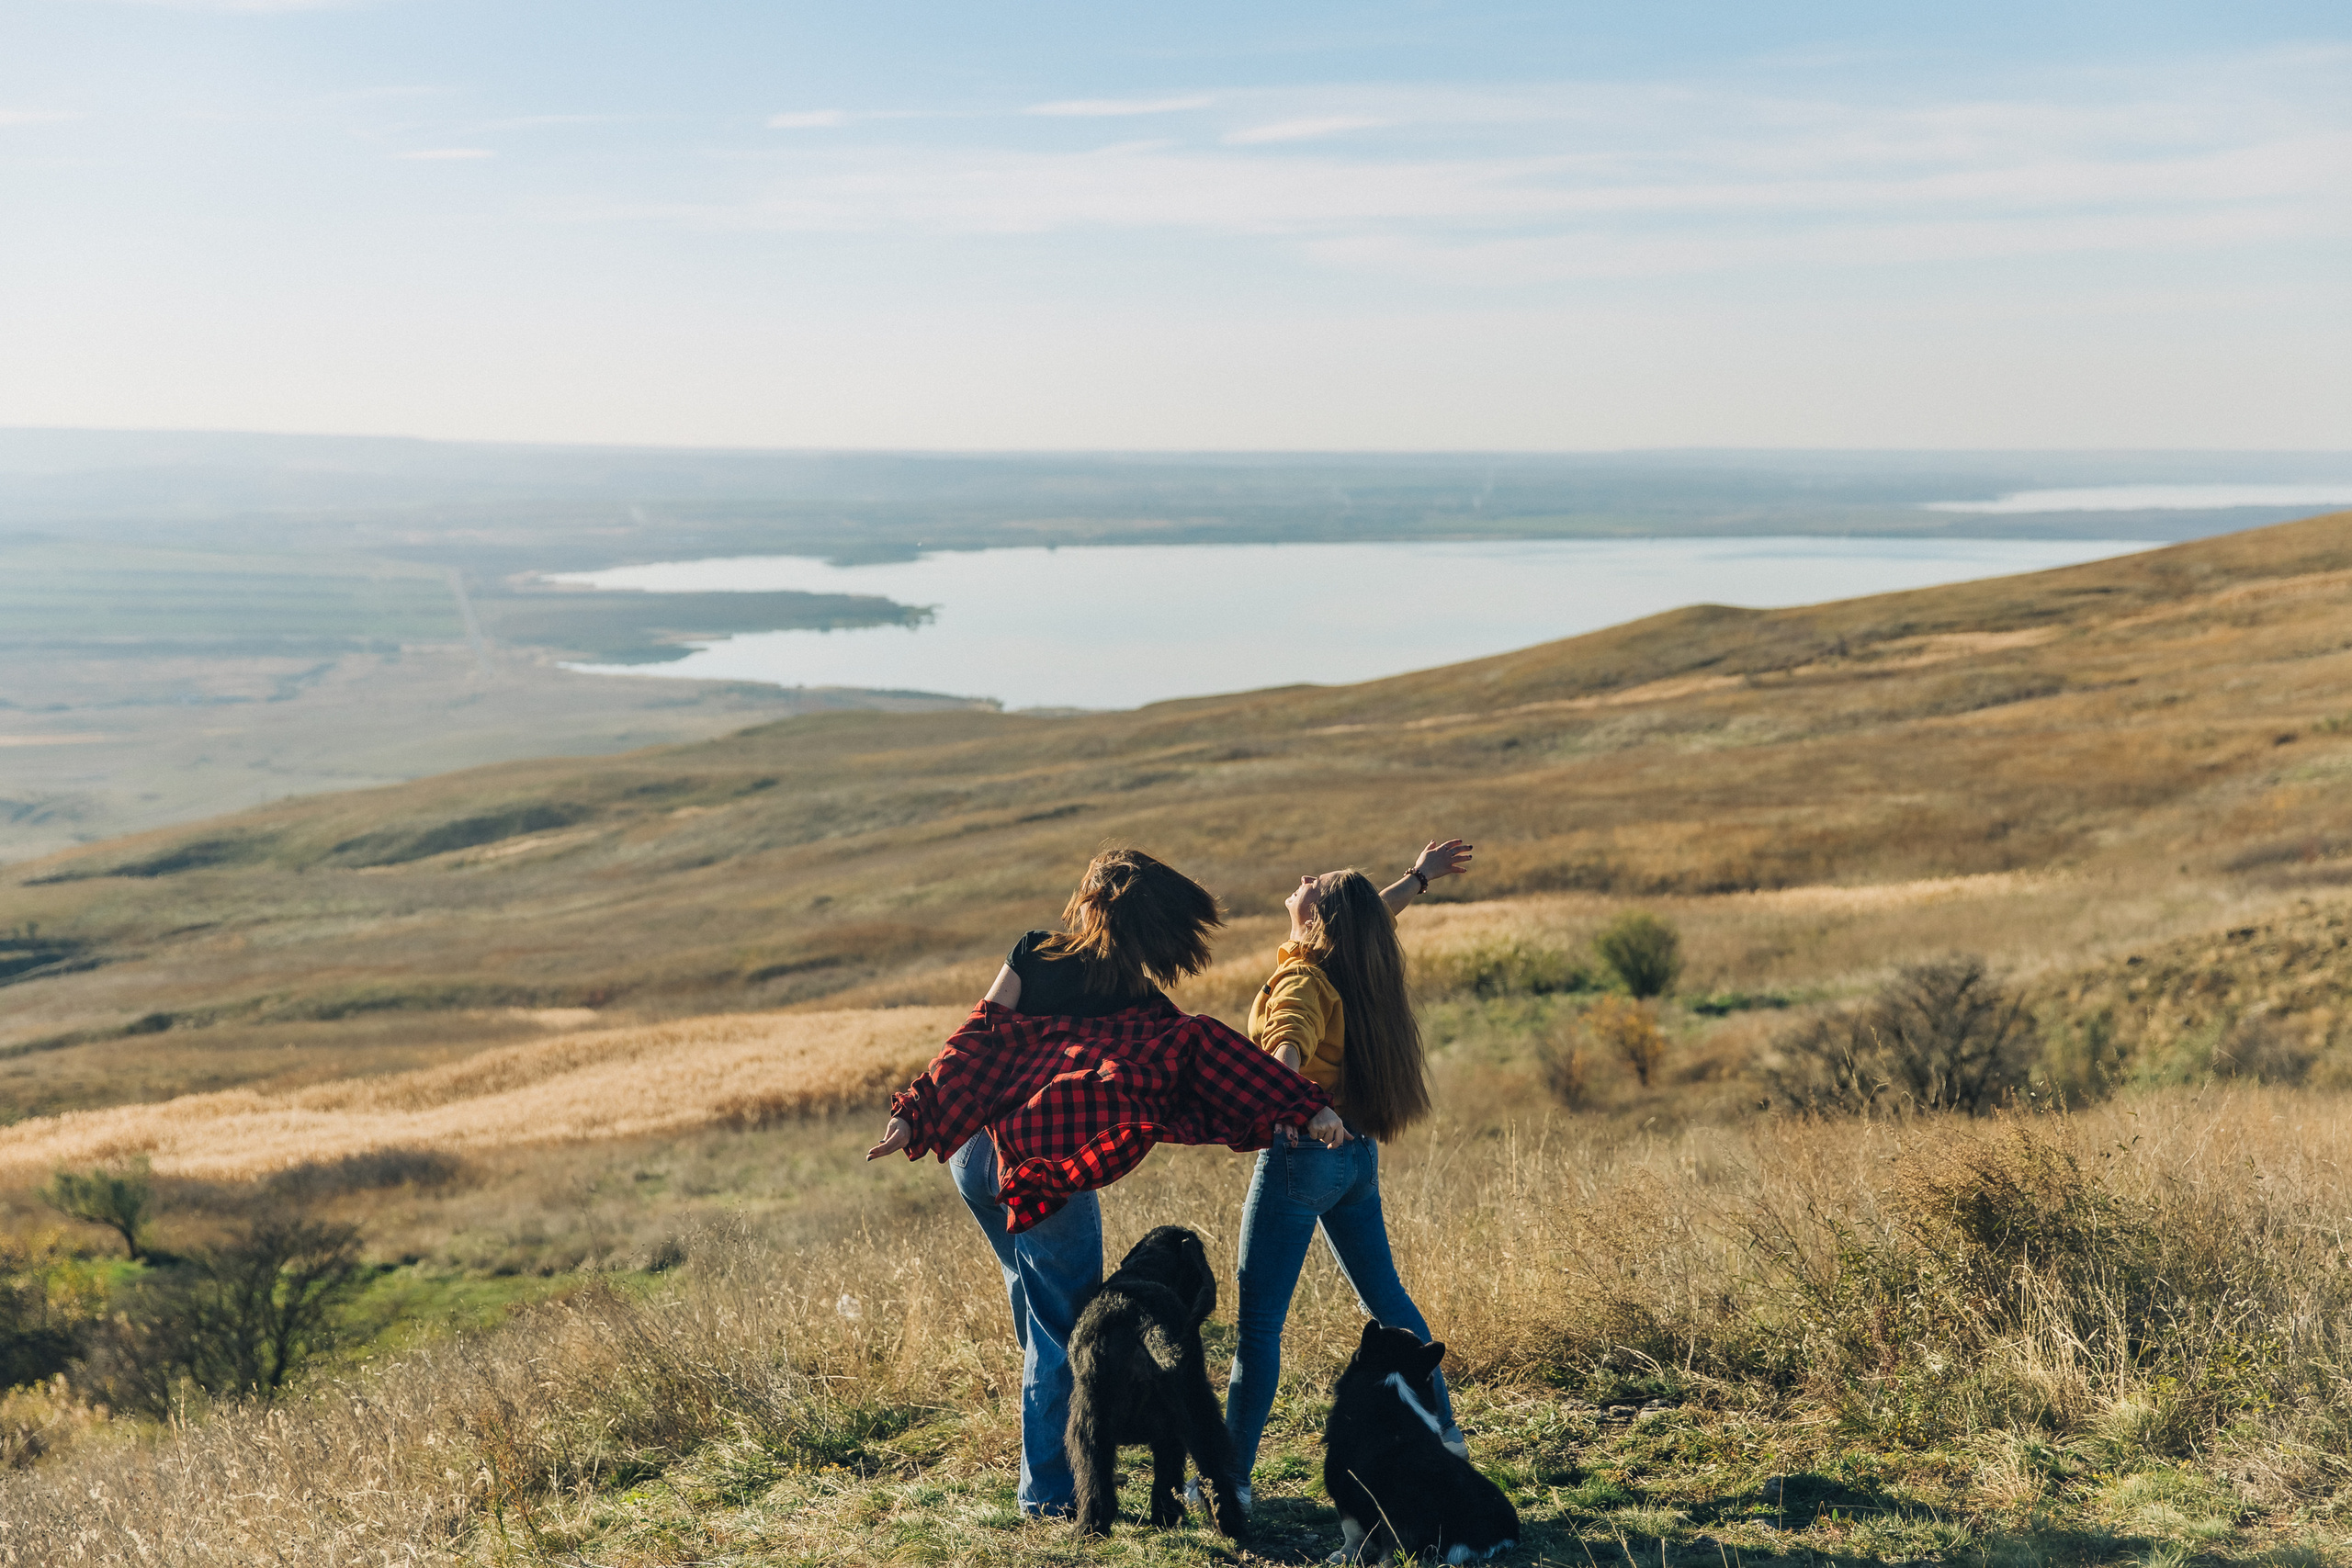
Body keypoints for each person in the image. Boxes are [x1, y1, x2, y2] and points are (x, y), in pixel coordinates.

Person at [865, 847, 1343, 1519]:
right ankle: (1050, 1497)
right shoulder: (1144, 1004)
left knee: (1038, 1311)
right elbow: (1218, 1057)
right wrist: (1304, 1104)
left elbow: (975, 1037)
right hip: (1040, 1166)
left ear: (1087, 902)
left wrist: (913, 1115)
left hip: (971, 1154)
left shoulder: (1034, 951)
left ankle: (1047, 1460)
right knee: (1068, 1330)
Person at [1220, 837, 1475, 1504]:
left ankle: (1230, 1481)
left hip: (1304, 1159)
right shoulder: (1350, 961)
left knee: (1257, 1330)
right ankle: (1447, 1438)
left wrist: (1304, 1113)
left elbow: (1282, 1067)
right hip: (1357, 1156)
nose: (1302, 876)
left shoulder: (1304, 976)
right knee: (1388, 1302)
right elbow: (1368, 917)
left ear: (1321, 917)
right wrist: (1418, 878)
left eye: (1315, 881)